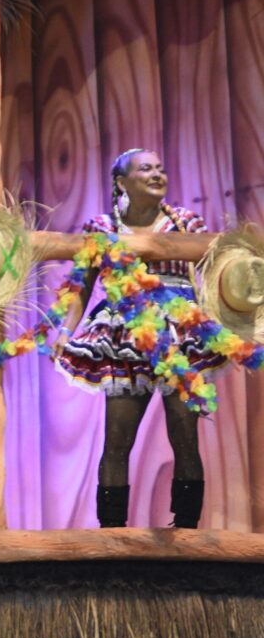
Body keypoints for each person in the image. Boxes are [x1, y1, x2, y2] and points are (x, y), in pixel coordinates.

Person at [53, 149, 224, 529]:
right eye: (146, 168)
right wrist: (65, 330)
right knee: (117, 439)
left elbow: (215, 273)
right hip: (124, 335)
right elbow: (81, 285)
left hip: (179, 334)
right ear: (121, 181)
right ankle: (112, 534)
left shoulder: (185, 221)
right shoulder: (102, 226)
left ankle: (186, 529)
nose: (157, 173)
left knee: (184, 433)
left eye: (161, 168)